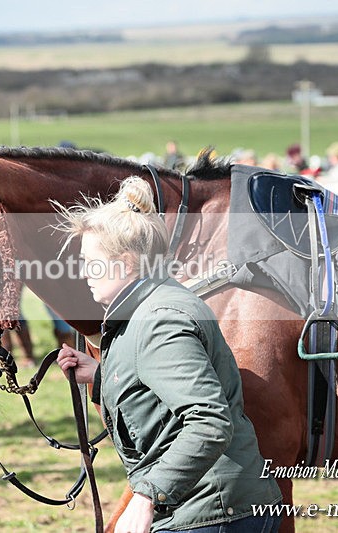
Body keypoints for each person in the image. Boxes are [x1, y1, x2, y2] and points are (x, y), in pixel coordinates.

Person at [54, 177, 282, 532]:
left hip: (211, 514)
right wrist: (100, 375)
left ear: (125, 263)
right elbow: (162, 388)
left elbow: (209, 422)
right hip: (211, 506)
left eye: (91, 262)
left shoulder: (160, 320)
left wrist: (146, 499)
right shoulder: (154, 304)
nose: (84, 273)